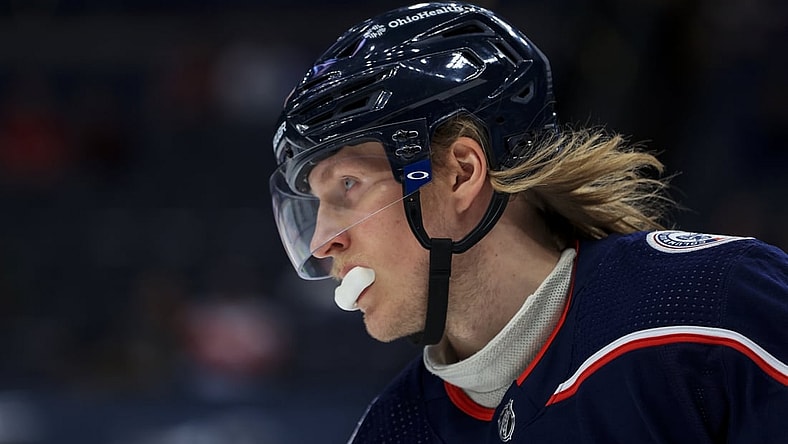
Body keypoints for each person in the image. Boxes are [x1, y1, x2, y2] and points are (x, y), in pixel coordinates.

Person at [269, 2, 788, 442]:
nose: (321, 241)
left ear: (461, 173)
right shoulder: (392, 431)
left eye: (348, 186)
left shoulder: (714, 309)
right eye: (316, 204)